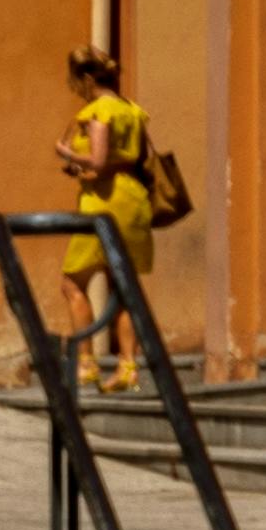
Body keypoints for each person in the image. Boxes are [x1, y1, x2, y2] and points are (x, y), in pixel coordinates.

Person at [56, 50, 158, 394]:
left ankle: (86, 363)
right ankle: (128, 367)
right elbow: (133, 158)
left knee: (72, 284)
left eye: (76, 83)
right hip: (132, 200)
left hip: (103, 204)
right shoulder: (132, 110)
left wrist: (67, 152)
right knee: (121, 286)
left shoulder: (98, 112)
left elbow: (98, 161)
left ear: (86, 80)